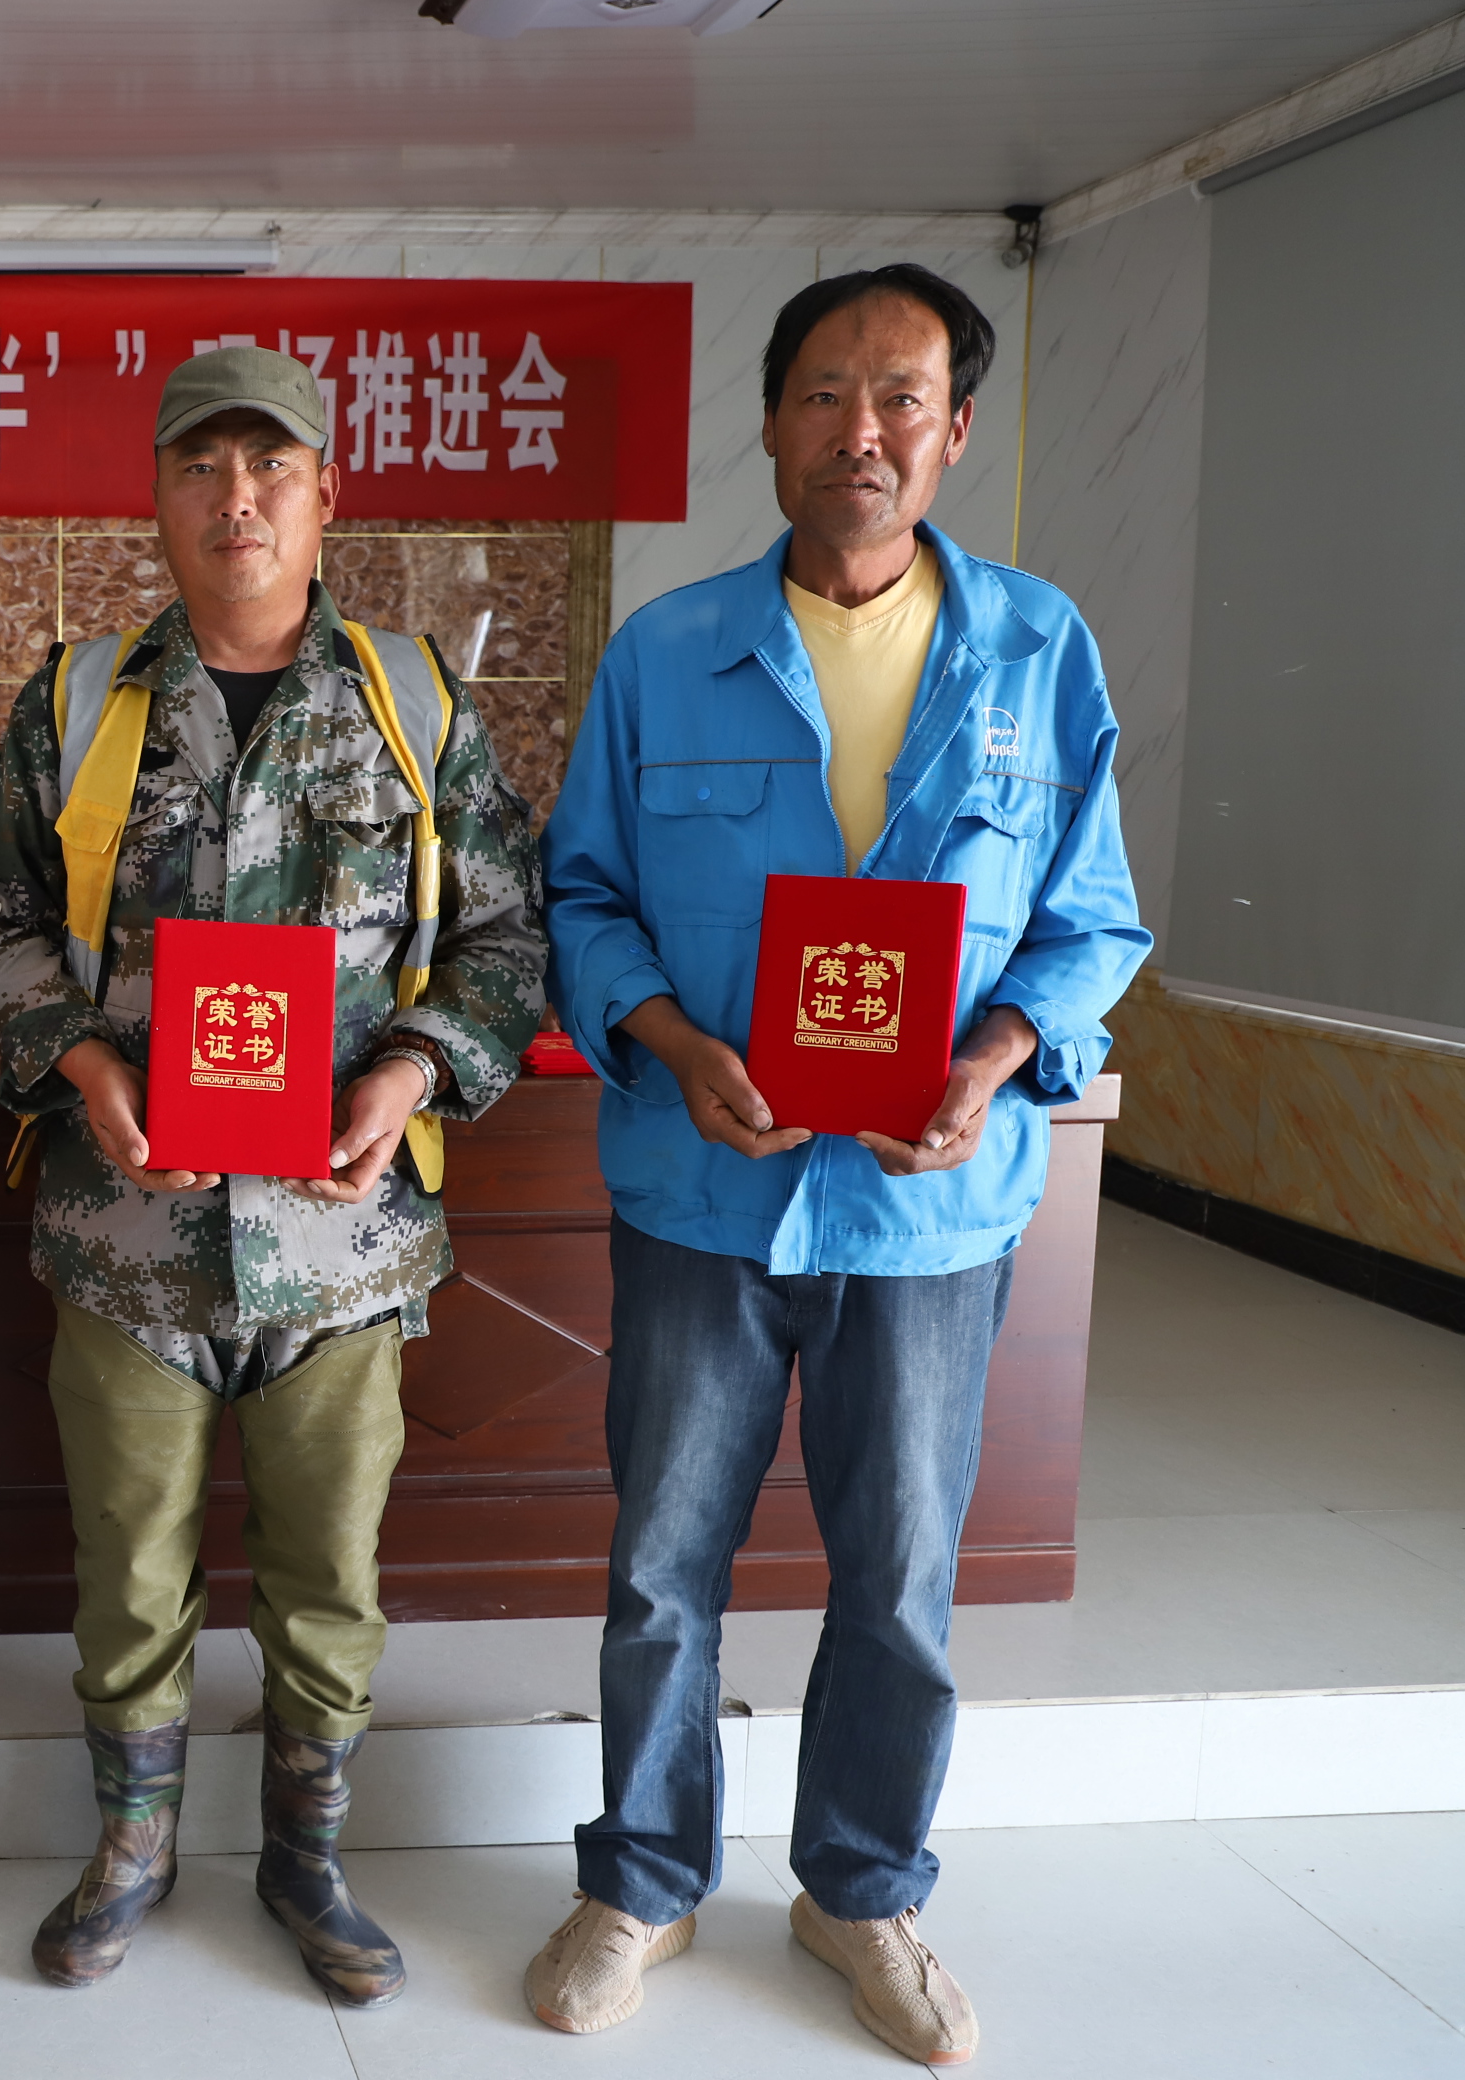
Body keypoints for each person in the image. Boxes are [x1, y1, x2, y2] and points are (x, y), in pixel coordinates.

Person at [529, 265, 1148, 2065]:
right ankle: (644, 1882)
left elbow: (1092, 919)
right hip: (705, 1186)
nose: (858, 431)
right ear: (770, 423)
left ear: (955, 433)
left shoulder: (1038, 653)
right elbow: (585, 898)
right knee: (663, 1563)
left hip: (928, 1208)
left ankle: (861, 1892)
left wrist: (992, 1064)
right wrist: (673, 1043)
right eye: (822, 393)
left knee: (896, 1575)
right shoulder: (666, 652)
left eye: (899, 399)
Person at [0, 347, 548, 2006]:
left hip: (343, 1240)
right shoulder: (79, 702)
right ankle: (132, 1847)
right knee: (129, 1564)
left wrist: (411, 1068)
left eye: (271, 466)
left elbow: (508, 933)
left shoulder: (412, 703)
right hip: (129, 1229)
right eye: (202, 466)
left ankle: (309, 1854)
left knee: (326, 1575)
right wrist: (81, 1062)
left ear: (325, 494)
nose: (238, 499)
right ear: (157, 499)